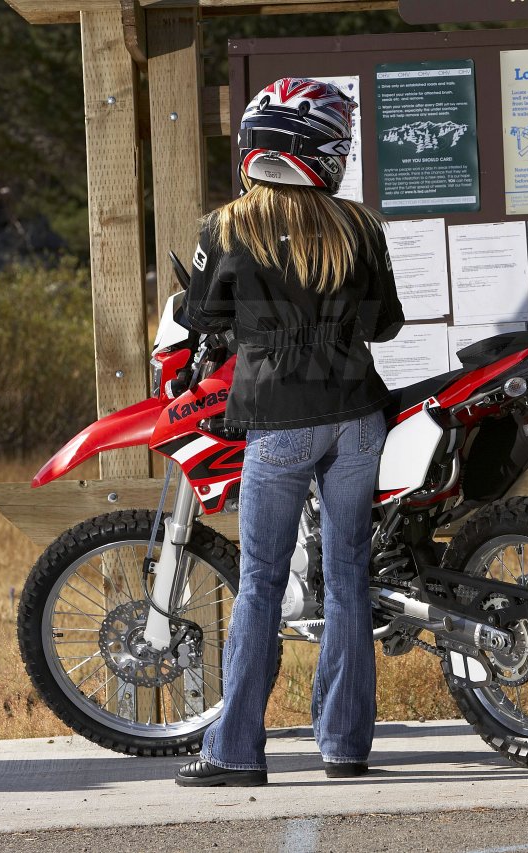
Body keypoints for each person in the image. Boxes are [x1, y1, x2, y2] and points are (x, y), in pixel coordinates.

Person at [174, 78, 404, 787]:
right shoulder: (358, 225)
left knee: (263, 582)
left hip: (279, 422)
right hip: (357, 416)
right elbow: (386, 322)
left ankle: (235, 750)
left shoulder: (227, 226)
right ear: (323, 151)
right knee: (347, 580)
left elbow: (200, 318)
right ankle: (344, 745)